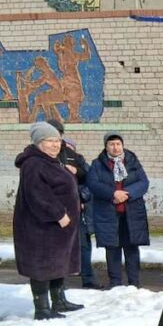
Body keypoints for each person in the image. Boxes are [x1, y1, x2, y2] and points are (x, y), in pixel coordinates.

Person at [13, 122, 83, 320]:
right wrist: (59, 214)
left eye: (58, 141)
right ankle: (42, 309)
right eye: (50, 141)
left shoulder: (50, 161)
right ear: (38, 143)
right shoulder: (34, 163)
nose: (55, 145)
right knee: (42, 266)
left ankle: (59, 300)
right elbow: (38, 195)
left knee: (57, 263)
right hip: (42, 227)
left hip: (58, 228)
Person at [87, 133, 150, 288]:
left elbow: (143, 182)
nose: (115, 147)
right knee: (112, 247)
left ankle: (134, 282)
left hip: (131, 212)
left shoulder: (132, 161)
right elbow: (93, 183)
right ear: (106, 146)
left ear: (122, 145)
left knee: (132, 247)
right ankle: (115, 283)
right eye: (111, 144)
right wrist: (113, 193)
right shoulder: (98, 164)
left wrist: (127, 194)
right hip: (108, 212)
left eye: (118, 144)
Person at [48, 119, 101, 290]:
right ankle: (58, 283)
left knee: (83, 244)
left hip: (76, 209)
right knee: (57, 247)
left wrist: (76, 171)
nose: (55, 140)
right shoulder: (41, 158)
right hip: (54, 209)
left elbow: (88, 177)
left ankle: (88, 278)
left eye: (57, 135)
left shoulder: (72, 155)